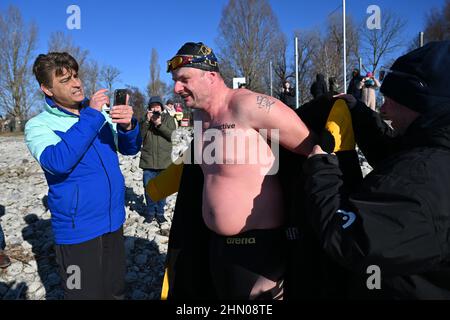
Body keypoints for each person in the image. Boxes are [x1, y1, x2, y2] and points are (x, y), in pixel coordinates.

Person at [166, 42, 314, 300]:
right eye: (175, 81)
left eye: (184, 79)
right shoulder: (200, 117)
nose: (177, 88)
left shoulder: (250, 106)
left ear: (210, 76)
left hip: (259, 253)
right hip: (216, 247)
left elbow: (313, 150)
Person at [302, 41, 450, 299]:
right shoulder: (434, 151)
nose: (382, 109)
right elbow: (400, 156)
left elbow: (350, 239)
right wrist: (359, 115)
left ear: (421, 103)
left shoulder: (423, 180)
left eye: (391, 100)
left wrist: (321, 170)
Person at [25, 52, 142, 299]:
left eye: (76, 76)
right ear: (47, 89)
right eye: (65, 80)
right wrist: (91, 116)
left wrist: (128, 127)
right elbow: (57, 162)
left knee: (115, 292)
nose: (77, 83)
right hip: (78, 231)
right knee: (83, 294)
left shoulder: (98, 114)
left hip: (113, 221)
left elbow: (129, 148)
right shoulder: (38, 125)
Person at [139, 96, 176, 224]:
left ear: (161, 107)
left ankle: (160, 213)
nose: (155, 109)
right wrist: (147, 122)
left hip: (164, 162)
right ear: (149, 109)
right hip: (148, 162)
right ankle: (150, 213)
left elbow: (172, 136)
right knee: (149, 190)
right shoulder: (145, 120)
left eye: (157, 106)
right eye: (152, 106)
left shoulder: (168, 119)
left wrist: (159, 124)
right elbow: (139, 137)